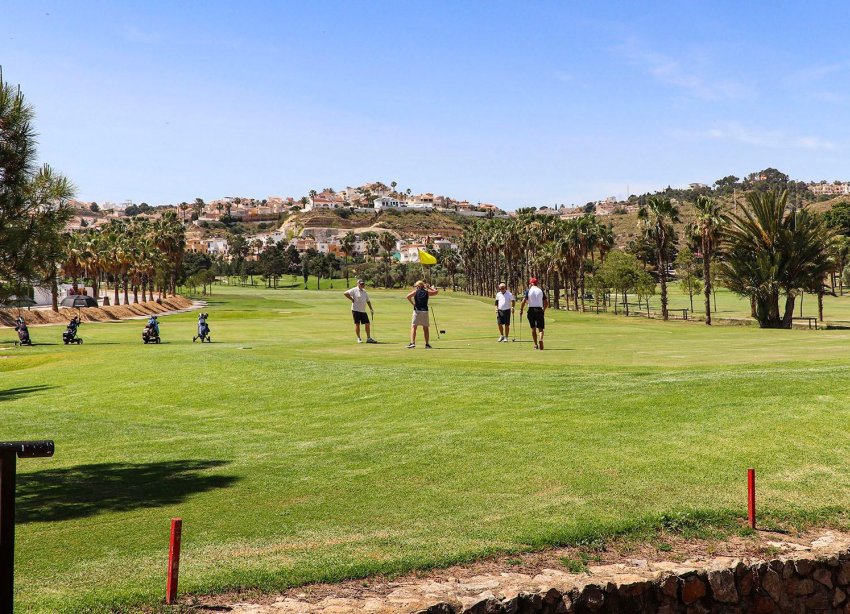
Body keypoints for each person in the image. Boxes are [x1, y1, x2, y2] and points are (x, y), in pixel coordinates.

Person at [406, 280, 438, 349]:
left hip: (417, 311)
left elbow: (408, 296)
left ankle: (412, 343)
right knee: (425, 328)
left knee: (414, 327)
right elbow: (436, 292)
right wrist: (429, 287)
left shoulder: (415, 292)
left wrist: (413, 304)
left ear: (418, 286)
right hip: (425, 311)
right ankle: (427, 344)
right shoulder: (427, 292)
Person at [519, 277, 548, 350]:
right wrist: (543, 310)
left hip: (531, 310)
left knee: (533, 328)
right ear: (536, 283)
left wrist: (521, 309)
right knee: (541, 329)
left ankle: (535, 344)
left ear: (531, 284)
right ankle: (540, 339)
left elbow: (523, 301)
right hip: (539, 309)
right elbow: (546, 302)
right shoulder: (541, 290)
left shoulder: (528, 291)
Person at [343, 279, 376, 343]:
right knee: (357, 324)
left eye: (363, 284)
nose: (362, 285)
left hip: (363, 310)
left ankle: (368, 338)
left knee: (367, 323)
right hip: (355, 310)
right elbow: (345, 293)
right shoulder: (354, 290)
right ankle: (359, 338)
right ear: (358, 284)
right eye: (361, 284)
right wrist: (351, 299)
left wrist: (371, 309)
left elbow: (368, 301)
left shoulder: (364, 291)